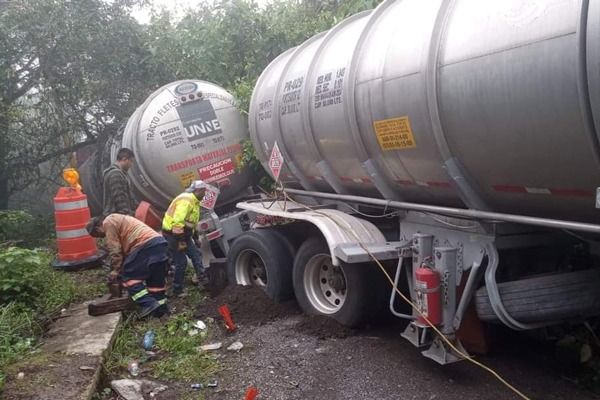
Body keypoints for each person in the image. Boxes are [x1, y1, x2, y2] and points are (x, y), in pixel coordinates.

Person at [86, 214, 169, 318]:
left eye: (96, 234)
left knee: (127, 277)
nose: (100, 237)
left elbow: (115, 250)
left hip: (145, 245)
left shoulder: (108, 223)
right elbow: (124, 253)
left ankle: (148, 304)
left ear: (98, 227)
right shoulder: (119, 220)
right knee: (155, 282)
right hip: (159, 243)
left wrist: (116, 271)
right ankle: (161, 311)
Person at [162, 180, 207, 296]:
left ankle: (202, 282)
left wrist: (196, 237)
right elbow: (178, 222)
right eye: (203, 191)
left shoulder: (195, 202)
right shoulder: (186, 200)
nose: (205, 193)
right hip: (173, 235)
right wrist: (181, 241)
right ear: (197, 191)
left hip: (183, 234)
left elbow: (192, 222)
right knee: (181, 262)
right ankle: (177, 290)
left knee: (196, 255)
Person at [102, 147, 137, 217]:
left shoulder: (120, 174)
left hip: (117, 217)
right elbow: (120, 199)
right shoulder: (115, 175)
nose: (131, 165)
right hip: (117, 218)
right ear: (124, 159)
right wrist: (128, 216)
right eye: (131, 161)